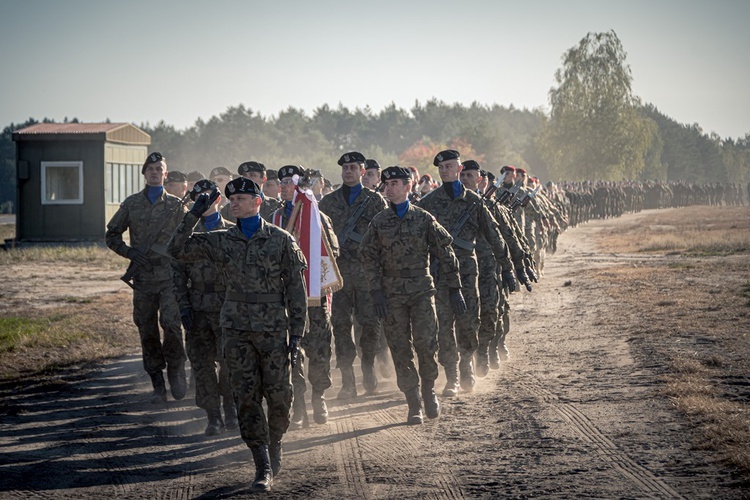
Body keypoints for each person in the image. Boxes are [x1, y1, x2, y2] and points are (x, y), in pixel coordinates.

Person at [168, 177, 307, 492]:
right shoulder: (220, 240)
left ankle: (276, 442)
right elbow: (175, 249)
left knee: (280, 397)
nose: (235, 202)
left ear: (258, 202)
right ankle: (262, 465)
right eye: (231, 199)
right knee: (246, 396)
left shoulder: (281, 239)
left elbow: (296, 291)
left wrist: (297, 334)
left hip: (274, 329)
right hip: (236, 330)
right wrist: (193, 213)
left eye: (242, 198)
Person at [360, 166, 462, 424]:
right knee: (399, 348)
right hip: (391, 294)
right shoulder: (379, 222)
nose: (390, 187)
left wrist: (455, 287)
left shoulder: (424, 219)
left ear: (408, 187)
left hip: (421, 291)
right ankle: (413, 400)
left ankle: (428, 390)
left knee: (427, 344)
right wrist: (375, 291)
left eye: (396, 183)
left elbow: (446, 254)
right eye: (387, 183)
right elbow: (368, 258)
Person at [417, 149, 513, 396]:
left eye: (449, 166)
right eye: (441, 167)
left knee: (469, 320)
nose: (444, 170)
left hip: (468, 273)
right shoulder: (428, 204)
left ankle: (466, 361)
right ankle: (453, 375)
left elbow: (494, 236)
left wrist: (508, 268)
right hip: (439, 274)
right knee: (443, 325)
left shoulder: (474, 202)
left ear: (459, 169)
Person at [105, 152, 188, 403]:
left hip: (169, 277)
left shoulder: (176, 205)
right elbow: (112, 235)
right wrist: (129, 253)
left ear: (165, 173)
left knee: (173, 325)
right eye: (150, 168)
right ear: (144, 174)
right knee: (147, 330)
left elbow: (187, 237)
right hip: (143, 278)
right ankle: (157, 384)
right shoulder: (131, 204)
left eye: (159, 168)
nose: (154, 172)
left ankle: (176, 370)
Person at [271, 165, 342, 428]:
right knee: (291, 351)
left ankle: (318, 395)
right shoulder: (275, 219)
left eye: (290, 182)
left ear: (300, 186)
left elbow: (332, 252)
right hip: (286, 298)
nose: (285, 186)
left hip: (314, 295)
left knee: (320, 347)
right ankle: (298, 401)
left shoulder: (318, 217)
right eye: (283, 182)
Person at [318, 151, 388, 398]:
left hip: (367, 274)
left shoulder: (376, 201)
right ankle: (348, 379)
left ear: (362, 172)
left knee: (370, 323)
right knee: (340, 325)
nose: (348, 171)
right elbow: (321, 240)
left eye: (353, 168)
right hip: (338, 276)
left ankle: (367, 364)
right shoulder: (327, 203)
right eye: (345, 167)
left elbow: (383, 239)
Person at [172, 179, 238, 436]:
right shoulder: (185, 234)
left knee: (230, 362)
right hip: (198, 309)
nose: (204, 202)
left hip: (227, 308)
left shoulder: (233, 232)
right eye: (198, 198)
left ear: (218, 200)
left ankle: (231, 408)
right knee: (202, 366)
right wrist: (184, 307)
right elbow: (176, 273)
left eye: (208, 197)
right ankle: (213, 416)